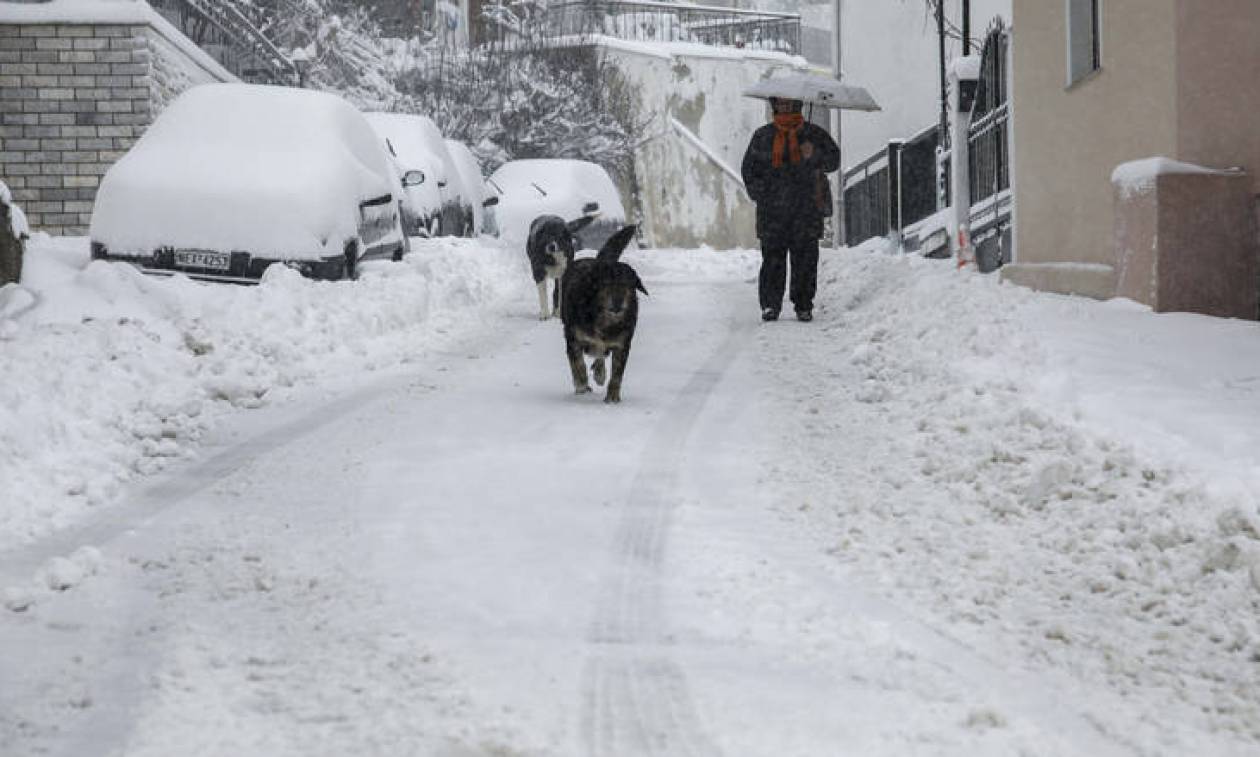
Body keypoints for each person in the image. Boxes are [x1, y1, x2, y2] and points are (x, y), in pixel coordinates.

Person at [740, 97, 840, 322]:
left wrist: (812, 154)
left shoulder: (813, 134)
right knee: (772, 260)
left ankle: (803, 304)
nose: (784, 107)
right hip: (772, 211)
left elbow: (834, 160)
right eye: (781, 104)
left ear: (797, 106)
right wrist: (762, 193)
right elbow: (749, 169)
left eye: (789, 104)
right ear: (775, 106)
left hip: (805, 209)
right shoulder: (763, 136)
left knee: (805, 259)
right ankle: (770, 305)